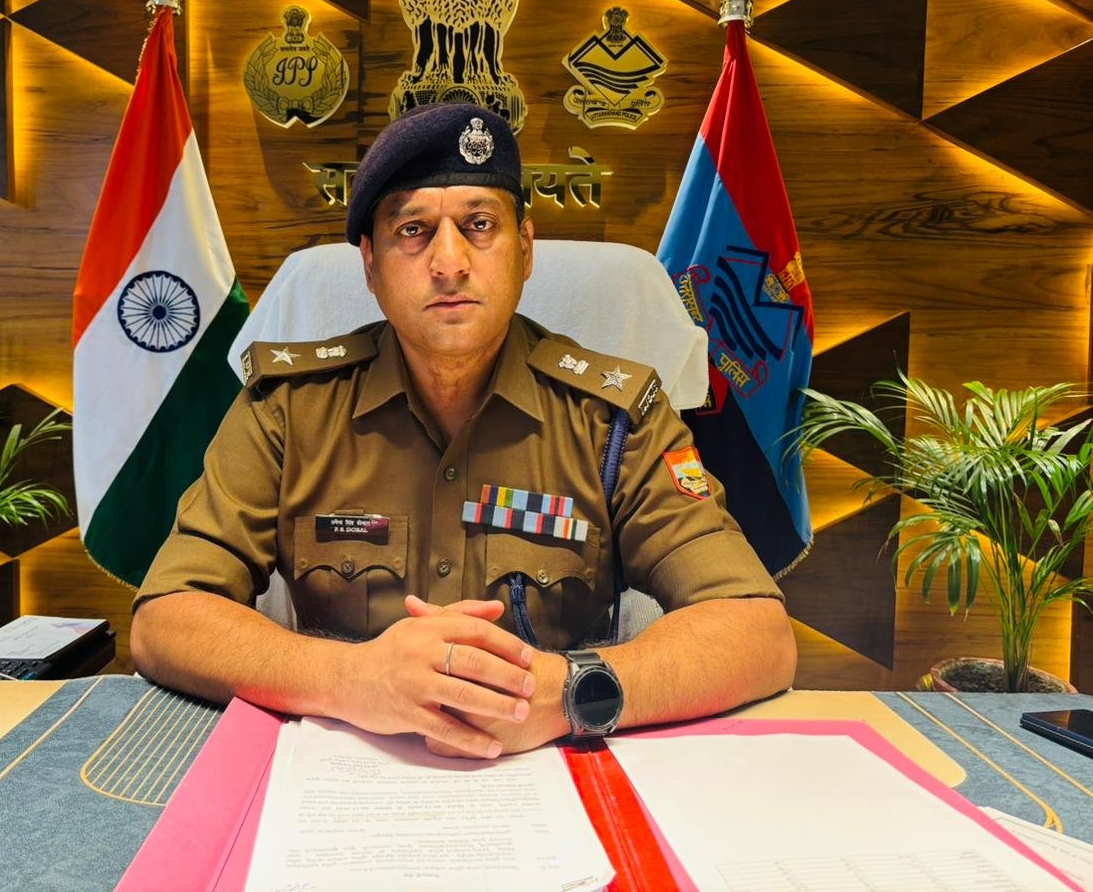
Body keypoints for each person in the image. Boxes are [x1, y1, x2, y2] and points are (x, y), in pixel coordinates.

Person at [130, 102, 796, 759]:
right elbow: (166, 618)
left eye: (479, 225)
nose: (449, 262)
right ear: (370, 265)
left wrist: (569, 692)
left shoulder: (614, 421)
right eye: (413, 230)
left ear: (525, 250)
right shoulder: (289, 410)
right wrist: (350, 679)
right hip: (339, 772)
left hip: (552, 767)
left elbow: (757, 633)